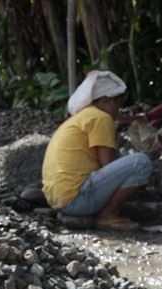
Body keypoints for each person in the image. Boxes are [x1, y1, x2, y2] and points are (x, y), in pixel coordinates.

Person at [42, 70, 152, 232]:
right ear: (106, 100)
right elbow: (107, 164)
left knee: (124, 157)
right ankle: (107, 215)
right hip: (77, 199)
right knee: (141, 162)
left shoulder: (83, 116)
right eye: (117, 105)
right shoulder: (100, 117)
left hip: (60, 200)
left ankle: (98, 211)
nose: (117, 111)